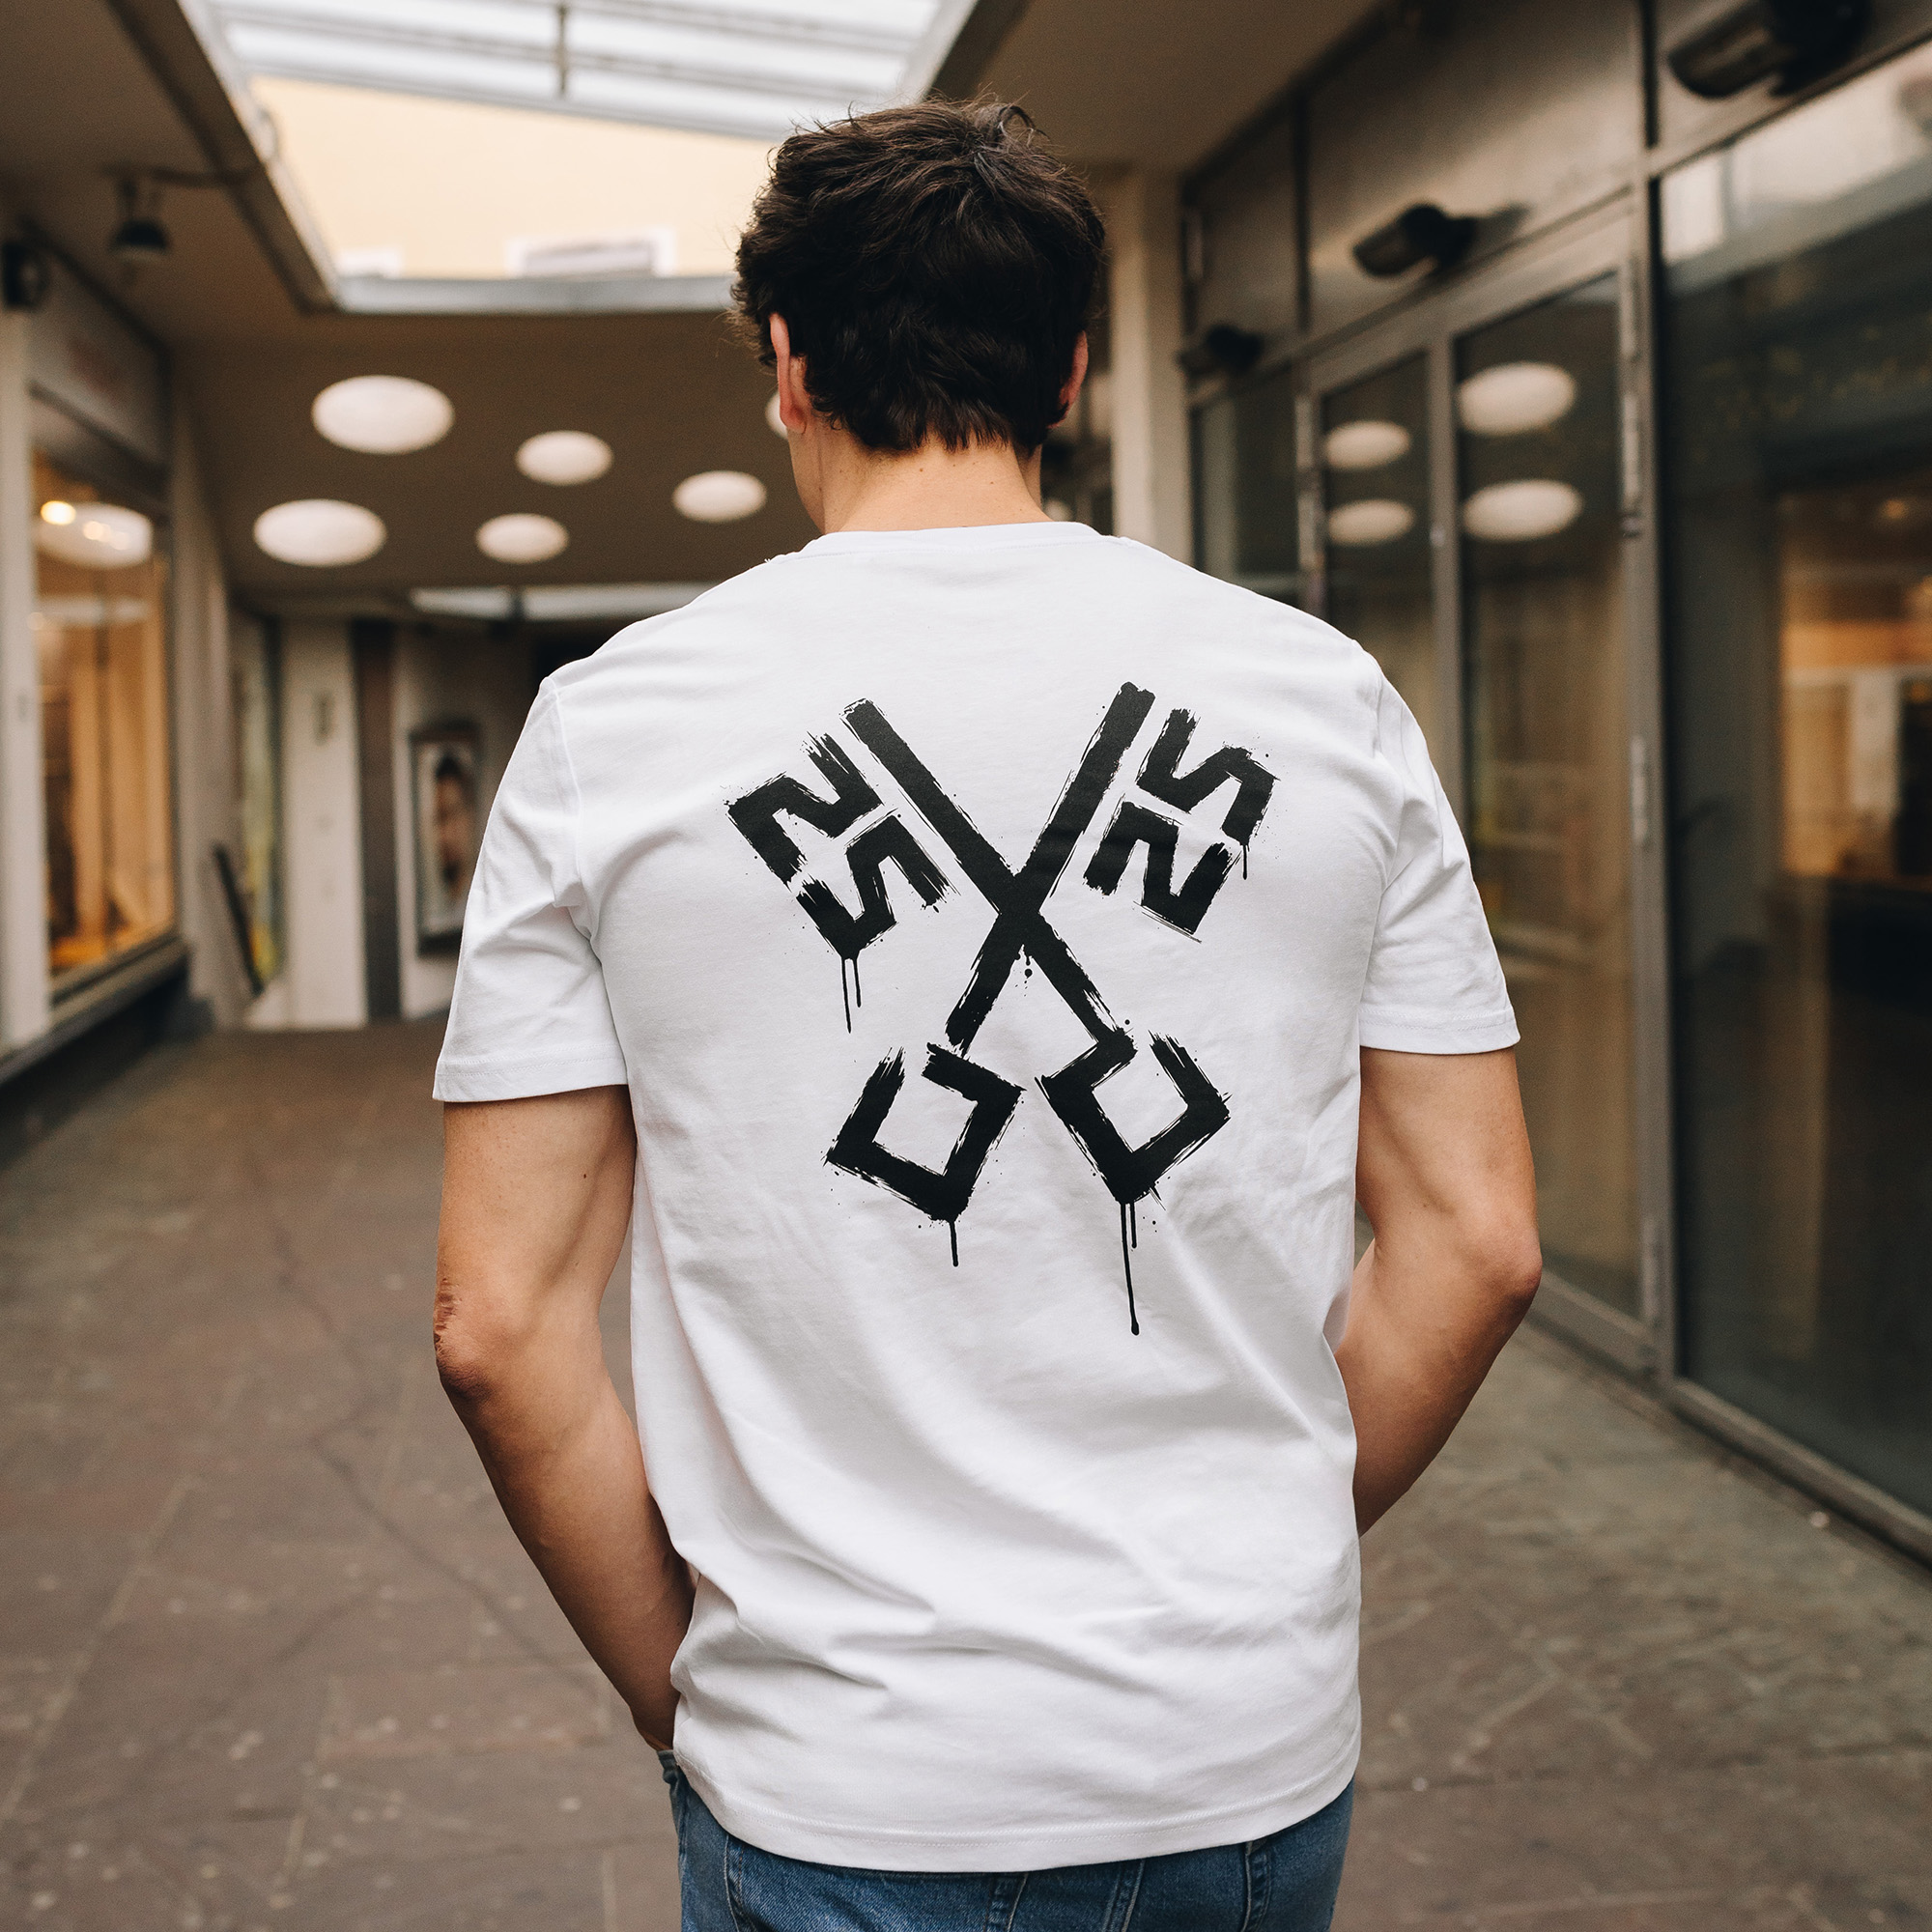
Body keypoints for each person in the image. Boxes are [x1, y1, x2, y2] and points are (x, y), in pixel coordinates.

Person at [431, 98, 1540, 1932]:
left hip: (841, 1780)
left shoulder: (613, 730)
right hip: (1242, 1760)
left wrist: (691, 1695)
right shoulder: (1326, 698)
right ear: (1073, 368)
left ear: (789, 364)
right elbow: (1480, 1240)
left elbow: (498, 1325)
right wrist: (1239, 1580)